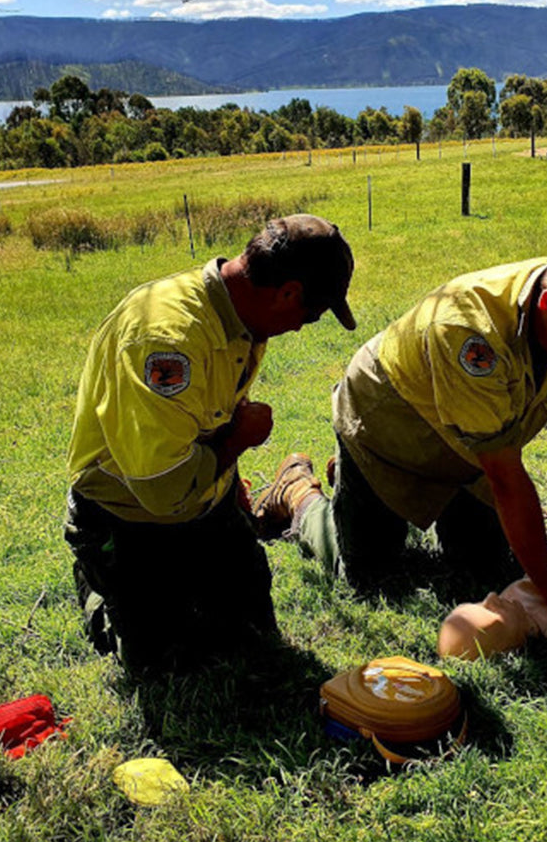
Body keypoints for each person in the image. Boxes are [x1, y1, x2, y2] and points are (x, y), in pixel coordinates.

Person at [253, 244, 547, 618]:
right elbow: (506, 478)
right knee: (369, 576)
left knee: (486, 570)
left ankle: (362, 491)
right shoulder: (469, 330)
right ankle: (298, 492)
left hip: (475, 445)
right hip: (390, 431)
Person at [65, 214, 356, 672]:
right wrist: (239, 442)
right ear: (288, 293)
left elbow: (207, 422)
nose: (303, 327)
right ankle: (99, 583)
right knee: (162, 662)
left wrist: (229, 485)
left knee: (250, 634)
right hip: (129, 512)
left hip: (202, 497)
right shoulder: (167, 342)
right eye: (312, 314)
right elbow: (161, 490)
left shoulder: (240, 315)